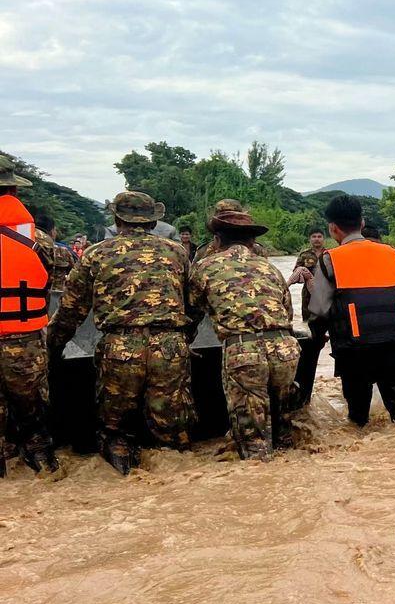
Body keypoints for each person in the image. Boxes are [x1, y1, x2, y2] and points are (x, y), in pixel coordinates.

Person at [49, 191, 193, 475]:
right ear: (153, 222)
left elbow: (71, 310)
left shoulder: (96, 253)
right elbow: (191, 300)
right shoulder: (177, 252)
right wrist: (184, 339)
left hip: (121, 350)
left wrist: (52, 347)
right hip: (170, 349)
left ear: (116, 219)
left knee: (115, 429)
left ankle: (123, 475)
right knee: (170, 430)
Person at [188, 210, 302, 460]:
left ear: (216, 241)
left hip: (244, 353)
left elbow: (191, 313)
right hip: (285, 350)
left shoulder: (204, 267)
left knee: (252, 438)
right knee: (283, 428)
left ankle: (261, 485)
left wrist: (185, 344)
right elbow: (287, 312)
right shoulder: (270, 268)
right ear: (252, 242)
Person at [308, 195, 395, 435]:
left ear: (332, 228)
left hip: (354, 348)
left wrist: (315, 338)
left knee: (358, 421)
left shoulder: (330, 258)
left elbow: (319, 309)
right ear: (362, 223)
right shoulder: (390, 253)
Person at [0, 157, 61, 476]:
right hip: (26, 341)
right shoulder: (38, 240)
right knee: (33, 411)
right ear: (12, 190)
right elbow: (51, 282)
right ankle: (40, 457)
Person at [289, 229, 329, 406]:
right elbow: (296, 273)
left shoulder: (330, 254)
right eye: (314, 236)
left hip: (328, 296)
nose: (317, 239)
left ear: (324, 238)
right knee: (310, 332)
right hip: (309, 299)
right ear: (310, 239)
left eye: (319, 236)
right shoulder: (305, 255)